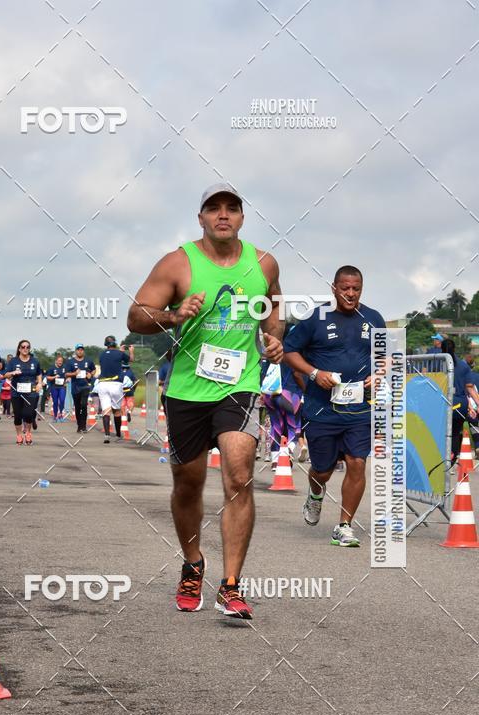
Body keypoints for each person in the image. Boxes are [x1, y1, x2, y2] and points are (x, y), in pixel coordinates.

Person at [128, 182, 283, 619]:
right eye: (213, 209)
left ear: (241, 218)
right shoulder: (179, 263)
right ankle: (193, 563)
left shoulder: (264, 263)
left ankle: (231, 585)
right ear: (200, 218)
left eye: (231, 209)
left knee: (239, 471)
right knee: (188, 482)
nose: (223, 215)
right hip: (187, 390)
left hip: (240, 384)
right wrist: (175, 315)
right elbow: (137, 315)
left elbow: (274, 307)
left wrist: (273, 339)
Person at [283, 265, 386, 548]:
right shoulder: (316, 319)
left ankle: (344, 526)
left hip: (360, 409)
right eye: (345, 288)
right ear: (334, 288)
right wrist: (315, 374)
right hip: (321, 409)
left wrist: (379, 372)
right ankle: (316, 493)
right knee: (323, 469)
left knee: (357, 462)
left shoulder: (374, 318)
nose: (350, 294)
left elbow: (388, 356)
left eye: (356, 289)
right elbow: (289, 351)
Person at [441, 338, 479, 463]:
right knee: (455, 432)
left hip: (441, 402)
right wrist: (473, 405)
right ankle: (452, 457)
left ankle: (442, 456)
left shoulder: (436, 363)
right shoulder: (463, 366)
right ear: (455, 349)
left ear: (441, 348)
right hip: (459, 404)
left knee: (440, 430)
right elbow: (469, 388)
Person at [97, 337, 134, 442]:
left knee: (106, 411)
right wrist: (130, 351)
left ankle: (107, 435)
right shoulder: (119, 353)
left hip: (103, 384)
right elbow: (131, 360)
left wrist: (120, 351)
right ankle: (118, 435)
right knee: (117, 411)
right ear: (115, 344)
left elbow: (110, 361)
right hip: (115, 384)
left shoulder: (102, 354)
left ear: (106, 344)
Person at [5, 340, 43, 445]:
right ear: (19, 348)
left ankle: (28, 433)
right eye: (23, 347)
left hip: (31, 391)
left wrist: (39, 383)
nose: (25, 349)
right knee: (18, 415)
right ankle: (19, 435)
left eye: (27, 347)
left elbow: (39, 373)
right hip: (17, 392)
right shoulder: (13, 361)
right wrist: (13, 372)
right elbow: (6, 375)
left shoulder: (35, 361)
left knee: (29, 413)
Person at [65, 343, 96, 432]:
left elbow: (94, 369)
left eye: (81, 349)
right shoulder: (70, 362)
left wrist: (91, 374)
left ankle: (84, 426)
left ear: (83, 351)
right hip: (75, 387)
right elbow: (66, 373)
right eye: (78, 349)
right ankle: (79, 425)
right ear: (75, 351)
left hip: (85, 386)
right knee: (78, 407)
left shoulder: (88, 361)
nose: (80, 351)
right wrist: (74, 374)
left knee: (84, 405)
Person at [46, 354, 67, 421]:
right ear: (56, 361)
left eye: (61, 361)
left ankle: (60, 414)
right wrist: (54, 377)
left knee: (62, 400)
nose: (60, 362)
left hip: (62, 387)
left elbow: (68, 375)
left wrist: (68, 379)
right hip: (54, 387)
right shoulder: (52, 368)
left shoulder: (64, 367)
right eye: (59, 361)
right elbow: (47, 377)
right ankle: (55, 416)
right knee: (55, 402)